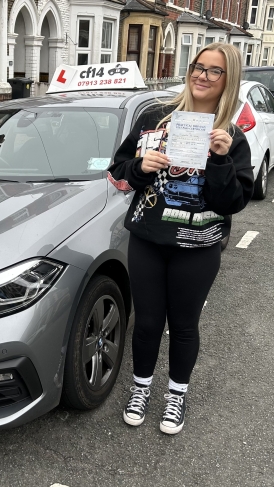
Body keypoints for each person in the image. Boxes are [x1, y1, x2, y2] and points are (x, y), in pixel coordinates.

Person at [107, 43, 254, 434]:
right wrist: (140, 166)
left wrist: (220, 160)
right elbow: (117, 172)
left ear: (228, 80)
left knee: (185, 324)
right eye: (197, 67)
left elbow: (234, 202)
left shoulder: (231, 137)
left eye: (214, 71)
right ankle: (141, 388)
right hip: (148, 240)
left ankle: (176, 394)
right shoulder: (157, 117)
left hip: (198, 245)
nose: (202, 76)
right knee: (148, 321)